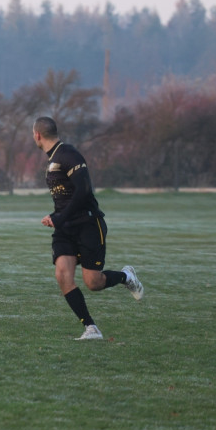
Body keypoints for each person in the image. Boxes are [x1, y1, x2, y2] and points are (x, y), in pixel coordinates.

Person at [33, 116, 144, 340]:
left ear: (37, 135)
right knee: (63, 275)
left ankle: (125, 276)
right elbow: (66, 198)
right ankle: (91, 328)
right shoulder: (53, 159)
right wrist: (56, 217)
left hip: (88, 224)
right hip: (65, 227)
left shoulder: (68, 154)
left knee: (93, 282)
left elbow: (84, 191)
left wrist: (60, 216)